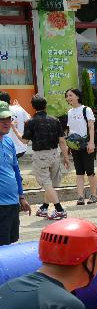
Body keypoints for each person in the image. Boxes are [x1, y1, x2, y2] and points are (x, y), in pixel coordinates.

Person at [23, 95, 69, 220]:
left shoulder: (30, 122)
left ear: (33, 107)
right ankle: (44, 207)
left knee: (46, 184)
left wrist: (14, 130)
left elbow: (24, 141)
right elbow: (62, 141)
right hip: (55, 153)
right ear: (46, 105)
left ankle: (59, 209)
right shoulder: (55, 120)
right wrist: (66, 157)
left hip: (41, 155)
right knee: (50, 184)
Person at [0, 101, 31, 246]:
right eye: (1, 119)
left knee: (11, 244)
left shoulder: (8, 141)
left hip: (12, 203)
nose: (6, 123)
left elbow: (16, 171)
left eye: (8, 119)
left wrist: (21, 197)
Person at [65, 88, 97, 205]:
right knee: (79, 172)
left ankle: (93, 195)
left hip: (87, 144)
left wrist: (91, 142)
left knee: (90, 171)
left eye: (70, 95)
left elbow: (91, 127)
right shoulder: (69, 112)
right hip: (75, 146)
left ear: (77, 96)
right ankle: (80, 197)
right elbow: (70, 130)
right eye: (67, 96)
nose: (68, 98)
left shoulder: (86, 110)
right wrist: (68, 146)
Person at [0, 91, 30, 158]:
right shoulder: (19, 108)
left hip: (6, 149)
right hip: (21, 148)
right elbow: (29, 121)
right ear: (10, 100)